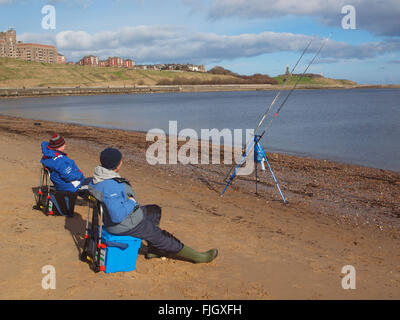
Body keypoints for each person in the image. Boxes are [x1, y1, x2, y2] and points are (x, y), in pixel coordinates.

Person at [88, 147, 218, 264]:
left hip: (124, 218)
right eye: (120, 160)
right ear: (117, 165)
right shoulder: (112, 186)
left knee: (155, 210)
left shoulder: (98, 178)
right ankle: (199, 257)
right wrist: (131, 202)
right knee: (163, 237)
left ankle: (154, 249)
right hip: (126, 224)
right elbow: (117, 216)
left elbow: (87, 190)